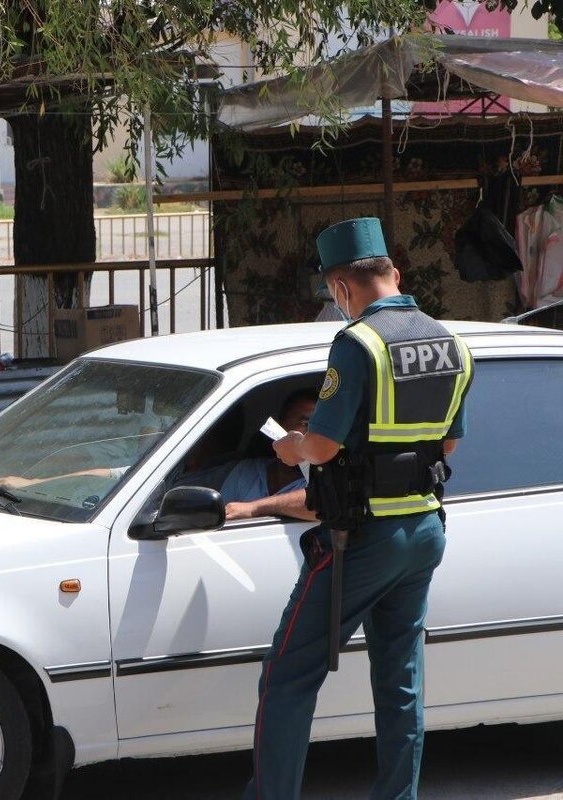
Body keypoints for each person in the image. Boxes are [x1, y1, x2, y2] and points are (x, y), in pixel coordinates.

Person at [244, 217, 473, 799]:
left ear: (340, 288)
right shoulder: (451, 343)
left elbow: (320, 446)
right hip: (423, 529)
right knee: (400, 681)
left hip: (363, 537)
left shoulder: (357, 344)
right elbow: (445, 445)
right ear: (394, 273)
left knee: (289, 676)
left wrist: (289, 444)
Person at [220, 388, 319, 522]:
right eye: (305, 423)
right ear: (280, 425)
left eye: (319, 428)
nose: (311, 433)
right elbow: (219, 516)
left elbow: (323, 504)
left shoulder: (323, 477)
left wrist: (254, 508)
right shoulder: (247, 471)